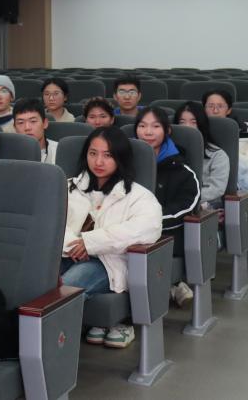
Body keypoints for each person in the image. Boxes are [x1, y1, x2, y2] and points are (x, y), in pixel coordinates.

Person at [61, 127, 162, 349]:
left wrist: (90, 243)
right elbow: (50, 221)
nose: (98, 161)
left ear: (120, 157)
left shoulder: (138, 196)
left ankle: (50, 349)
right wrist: (72, 246)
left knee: (65, 288)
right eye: (93, 153)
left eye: (108, 155)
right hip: (66, 253)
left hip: (107, 263)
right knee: (37, 283)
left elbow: (146, 229)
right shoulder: (68, 187)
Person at [134, 106, 200, 307]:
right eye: (142, 126)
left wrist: (147, 223)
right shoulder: (125, 164)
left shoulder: (181, 170)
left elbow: (186, 205)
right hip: (128, 230)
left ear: (167, 130)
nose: (148, 132)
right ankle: (172, 286)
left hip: (166, 233)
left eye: (155, 126)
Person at [174, 101, 229, 210]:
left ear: (201, 125)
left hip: (205, 207)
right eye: (182, 122)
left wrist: (186, 199)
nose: (187, 127)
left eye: (193, 122)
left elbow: (216, 189)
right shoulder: (168, 152)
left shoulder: (218, 155)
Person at [13, 99, 57, 164]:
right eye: (21, 122)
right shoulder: (7, 154)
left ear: (45, 123)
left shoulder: (59, 151)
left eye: (33, 121)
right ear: (15, 127)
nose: (27, 128)